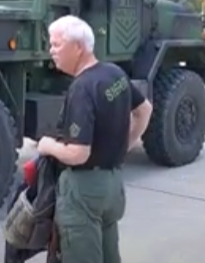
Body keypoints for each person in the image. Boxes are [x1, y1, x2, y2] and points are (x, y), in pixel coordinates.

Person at [36, 15, 153, 263]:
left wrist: (48, 146)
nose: (51, 51)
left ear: (78, 47)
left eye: (56, 45)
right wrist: (124, 145)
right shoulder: (114, 73)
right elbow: (145, 110)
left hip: (84, 192)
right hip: (112, 187)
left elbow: (79, 154)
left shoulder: (82, 88)